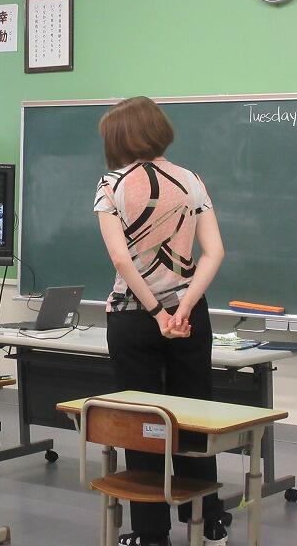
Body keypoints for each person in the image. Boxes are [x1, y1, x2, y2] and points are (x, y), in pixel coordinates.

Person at [94, 97, 228, 546]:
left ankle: (151, 533)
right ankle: (208, 520)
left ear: (119, 138)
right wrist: (184, 306)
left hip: (134, 317)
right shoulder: (191, 180)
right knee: (195, 416)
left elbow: (121, 258)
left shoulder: (111, 185)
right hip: (190, 317)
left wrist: (157, 311)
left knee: (144, 423)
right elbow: (214, 252)